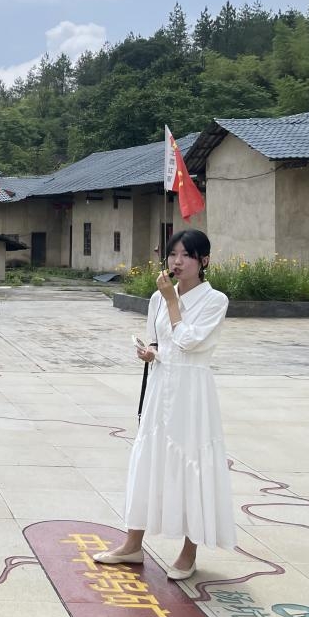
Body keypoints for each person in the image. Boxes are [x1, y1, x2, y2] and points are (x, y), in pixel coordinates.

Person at [95, 229, 234, 581]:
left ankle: (189, 552)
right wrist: (149, 351)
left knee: (192, 461)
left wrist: (172, 301)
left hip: (192, 391)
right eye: (173, 254)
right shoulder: (159, 297)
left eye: (186, 255)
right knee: (149, 457)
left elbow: (189, 342)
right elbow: (160, 341)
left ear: (204, 260)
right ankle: (132, 544)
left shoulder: (214, 300)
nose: (177, 261)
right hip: (161, 385)